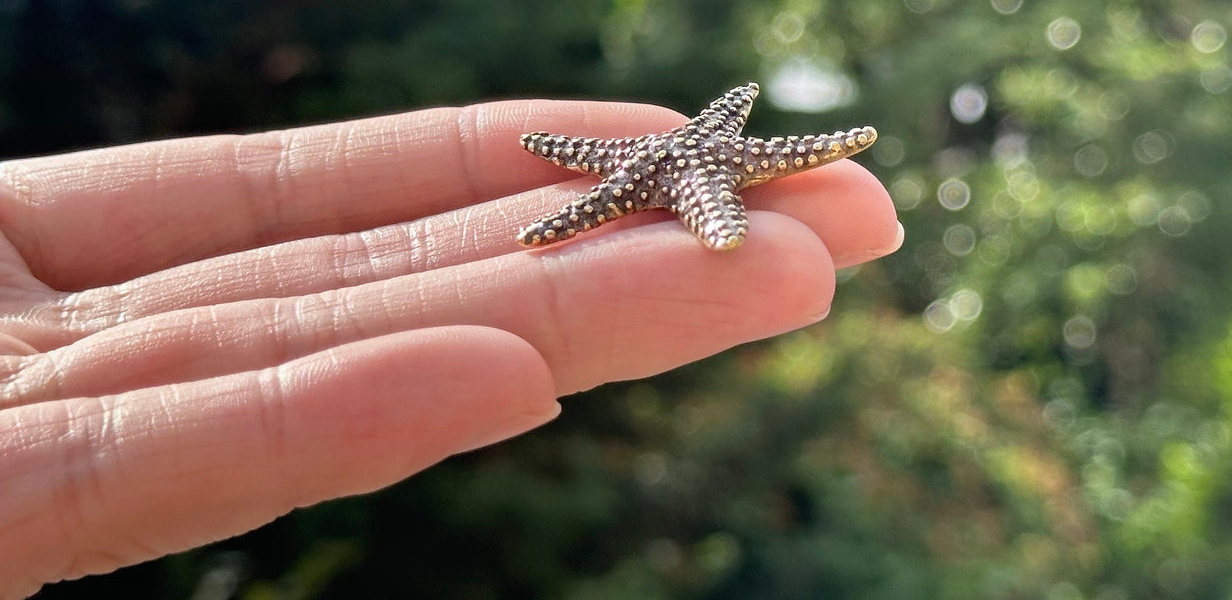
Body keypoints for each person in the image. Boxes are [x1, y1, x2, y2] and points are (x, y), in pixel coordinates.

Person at [0, 96, 901, 597]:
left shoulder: (694, 152)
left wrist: (710, 205)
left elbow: (705, 154)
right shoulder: (680, 155)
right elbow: (623, 162)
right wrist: (611, 207)